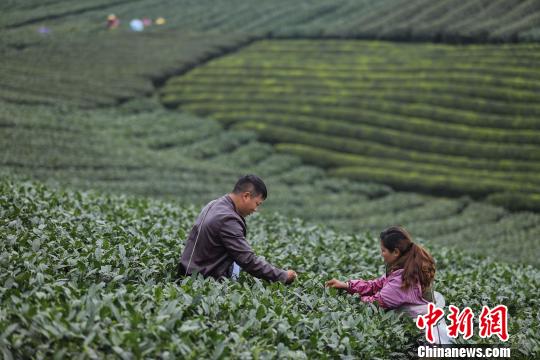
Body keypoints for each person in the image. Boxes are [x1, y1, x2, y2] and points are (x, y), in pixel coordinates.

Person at [325, 225, 451, 344]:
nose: (381, 254)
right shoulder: (403, 268)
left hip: (429, 339)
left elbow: (375, 302)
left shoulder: (402, 280)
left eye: (383, 250)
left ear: (396, 252)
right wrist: (347, 286)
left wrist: (346, 300)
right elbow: (376, 285)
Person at [177, 175, 297, 284]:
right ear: (246, 196)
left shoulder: (215, 204)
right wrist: (283, 276)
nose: (256, 210)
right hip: (200, 283)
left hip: (189, 273)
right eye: (257, 204)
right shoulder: (228, 220)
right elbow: (248, 260)